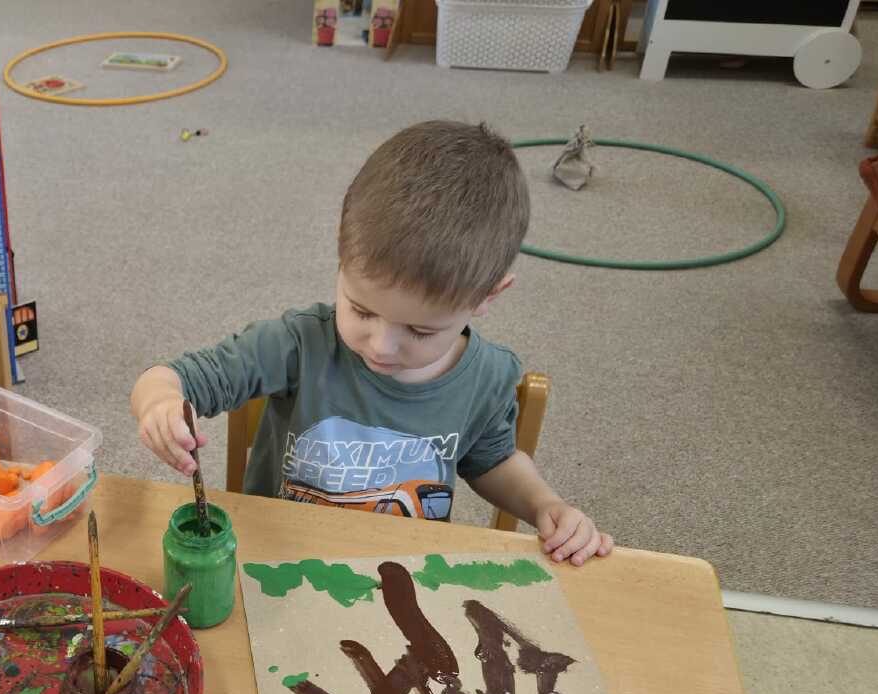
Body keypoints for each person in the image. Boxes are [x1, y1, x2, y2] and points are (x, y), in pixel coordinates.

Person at [131, 120, 612, 566]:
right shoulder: (299, 342)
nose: (381, 346)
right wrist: (160, 403)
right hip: (278, 560)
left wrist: (545, 505)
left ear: (488, 296)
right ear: (341, 257)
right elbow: (172, 378)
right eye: (361, 310)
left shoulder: (487, 377)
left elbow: (494, 462)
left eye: (420, 331)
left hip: (402, 570)